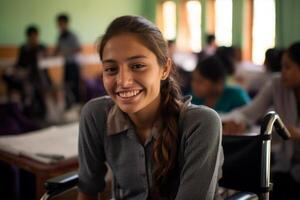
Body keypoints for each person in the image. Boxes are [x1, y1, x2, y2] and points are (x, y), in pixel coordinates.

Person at [77, 15, 223, 200]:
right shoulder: (96, 115)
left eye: (137, 66)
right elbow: (87, 192)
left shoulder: (200, 124)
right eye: (111, 69)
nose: (123, 81)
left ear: (164, 69)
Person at [222, 42, 300, 200]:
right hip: (284, 166)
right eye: (282, 66)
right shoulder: (277, 84)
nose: (282, 72)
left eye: (288, 67)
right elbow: (249, 112)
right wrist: (238, 121)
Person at [3, 25, 51, 120]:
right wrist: (15, 70)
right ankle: (23, 110)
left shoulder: (41, 48)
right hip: (25, 76)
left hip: (39, 78)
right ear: (28, 37)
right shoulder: (24, 48)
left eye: (35, 36)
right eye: (32, 36)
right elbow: (19, 63)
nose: (34, 39)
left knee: (33, 86)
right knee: (8, 77)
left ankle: (38, 112)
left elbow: (43, 65)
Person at [54, 13, 81, 108]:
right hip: (66, 64)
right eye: (58, 24)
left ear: (66, 23)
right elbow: (56, 50)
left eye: (61, 23)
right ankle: (69, 106)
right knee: (66, 86)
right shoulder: (60, 37)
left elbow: (78, 49)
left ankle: (77, 106)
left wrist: (66, 51)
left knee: (74, 86)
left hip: (74, 64)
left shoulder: (73, 36)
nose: (60, 26)